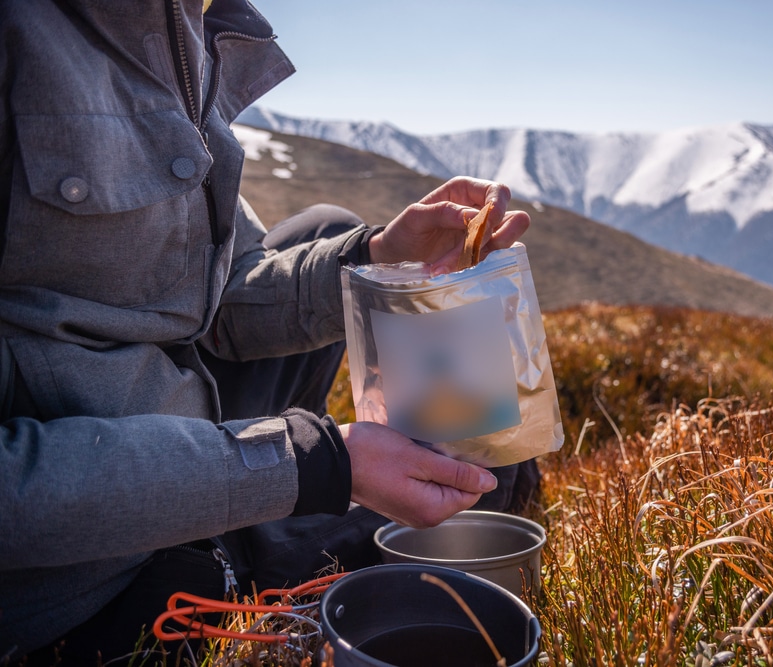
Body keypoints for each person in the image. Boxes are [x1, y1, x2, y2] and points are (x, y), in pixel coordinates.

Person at [0, 0, 537, 662]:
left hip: (183, 421)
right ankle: (246, 557)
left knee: (329, 232)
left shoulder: (176, 26)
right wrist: (306, 461)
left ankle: (269, 523)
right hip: (73, 569)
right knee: (477, 485)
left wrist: (374, 257)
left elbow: (223, 296)